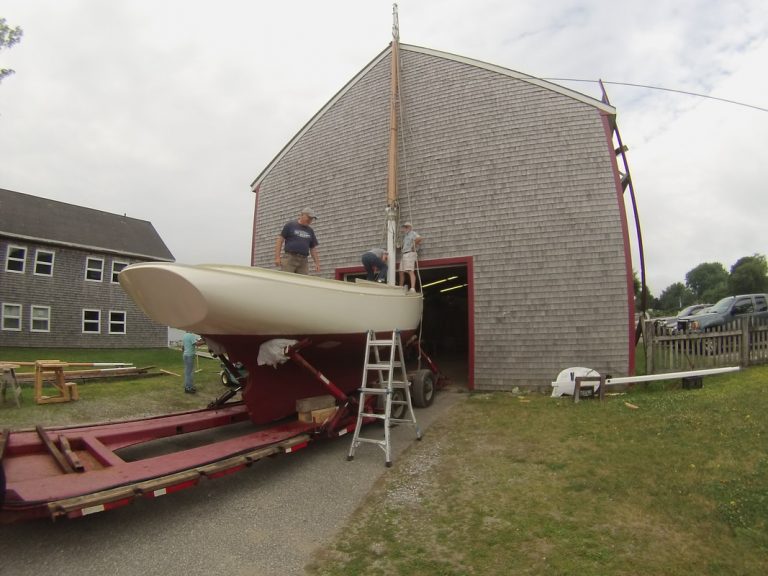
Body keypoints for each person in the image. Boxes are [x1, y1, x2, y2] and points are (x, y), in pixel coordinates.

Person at [275, 208, 320, 274]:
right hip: (290, 258)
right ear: (301, 215)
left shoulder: (310, 231)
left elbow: (312, 248)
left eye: (311, 219)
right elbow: (280, 240)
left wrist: (317, 263)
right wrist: (277, 257)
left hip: (303, 261)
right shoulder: (290, 225)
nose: (310, 220)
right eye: (309, 218)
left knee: (302, 279)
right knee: (287, 277)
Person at [399, 222, 423, 292]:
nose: (405, 228)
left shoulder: (413, 233)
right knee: (401, 271)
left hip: (410, 253)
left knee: (410, 270)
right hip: (404, 254)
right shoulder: (405, 236)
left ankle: (412, 288)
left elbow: (419, 238)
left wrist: (413, 246)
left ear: (410, 227)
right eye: (404, 227)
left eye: (406, 227)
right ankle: (400, 287)